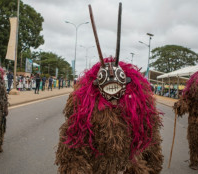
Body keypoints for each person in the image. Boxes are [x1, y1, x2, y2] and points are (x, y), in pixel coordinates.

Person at [55, 3, 163, 173]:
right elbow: (73, 145)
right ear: (97, 85)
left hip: (130, 163)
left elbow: (151, 139)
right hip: (98, 166)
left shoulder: (139, 108)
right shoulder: (85, 109)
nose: (112, 82)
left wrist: (152, 166)